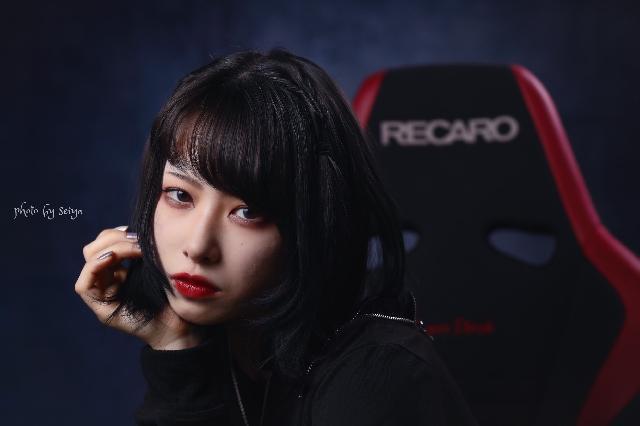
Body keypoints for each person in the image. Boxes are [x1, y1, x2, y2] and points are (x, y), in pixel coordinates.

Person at [75, 48, 478, 426]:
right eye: (180, 196)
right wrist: (174, 344)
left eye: (248, 212)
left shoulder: (379, 377)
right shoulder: (234, 340)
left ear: (312, 223)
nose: (197, 247)